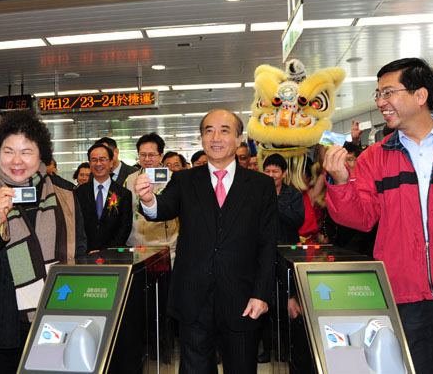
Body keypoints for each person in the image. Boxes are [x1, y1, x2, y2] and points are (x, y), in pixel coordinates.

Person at [324, 57, 433, 374]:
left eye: (388, 93)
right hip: (404, 293)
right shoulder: (375, 157)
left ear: (420, 96)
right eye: (378, 95)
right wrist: (340, 183)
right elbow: (361, 218)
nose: (381, 102)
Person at [135, 109, 278, 374]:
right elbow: (163, 208)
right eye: (208, 130)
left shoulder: (260, 186)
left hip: (243, 300)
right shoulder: (185, 180)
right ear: (201, 138)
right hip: (194, 299)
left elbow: (267, 245)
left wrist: (261, 294)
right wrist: (148, 200)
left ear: (238, 138)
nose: (216, 137)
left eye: (225, 130)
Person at [0, 110, 87, 374]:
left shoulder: (64, 195)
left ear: (41, 155)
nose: (16, 160)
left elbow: (77, 253)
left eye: (26, 151)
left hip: (51, 323)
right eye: (8, 151)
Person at [125, 133, 179, 264]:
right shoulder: (131, 179)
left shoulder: (173, 179)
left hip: (164, 247)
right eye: (143, 155)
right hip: (136, 247)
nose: (147, 159)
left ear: (161, 156)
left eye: (151, 155)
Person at [76, 143, 132, 252]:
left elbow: (124, 227)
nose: (98, 164)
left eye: (102, 159)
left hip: (113, 255)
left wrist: (106, 251)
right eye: (94, 160)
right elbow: (76, 225)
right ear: (90, 163)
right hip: (85, 254)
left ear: (111, 162)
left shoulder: (123, 194)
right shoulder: (79, 193)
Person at [263, 154, 304, 245]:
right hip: (263, 245)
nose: (271, 175)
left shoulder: (294, 194)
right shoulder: (257, 193)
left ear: (284, 174)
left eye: (275, 171)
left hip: (288, 245)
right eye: (267, 171)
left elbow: (298, 221)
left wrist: (275, 203)